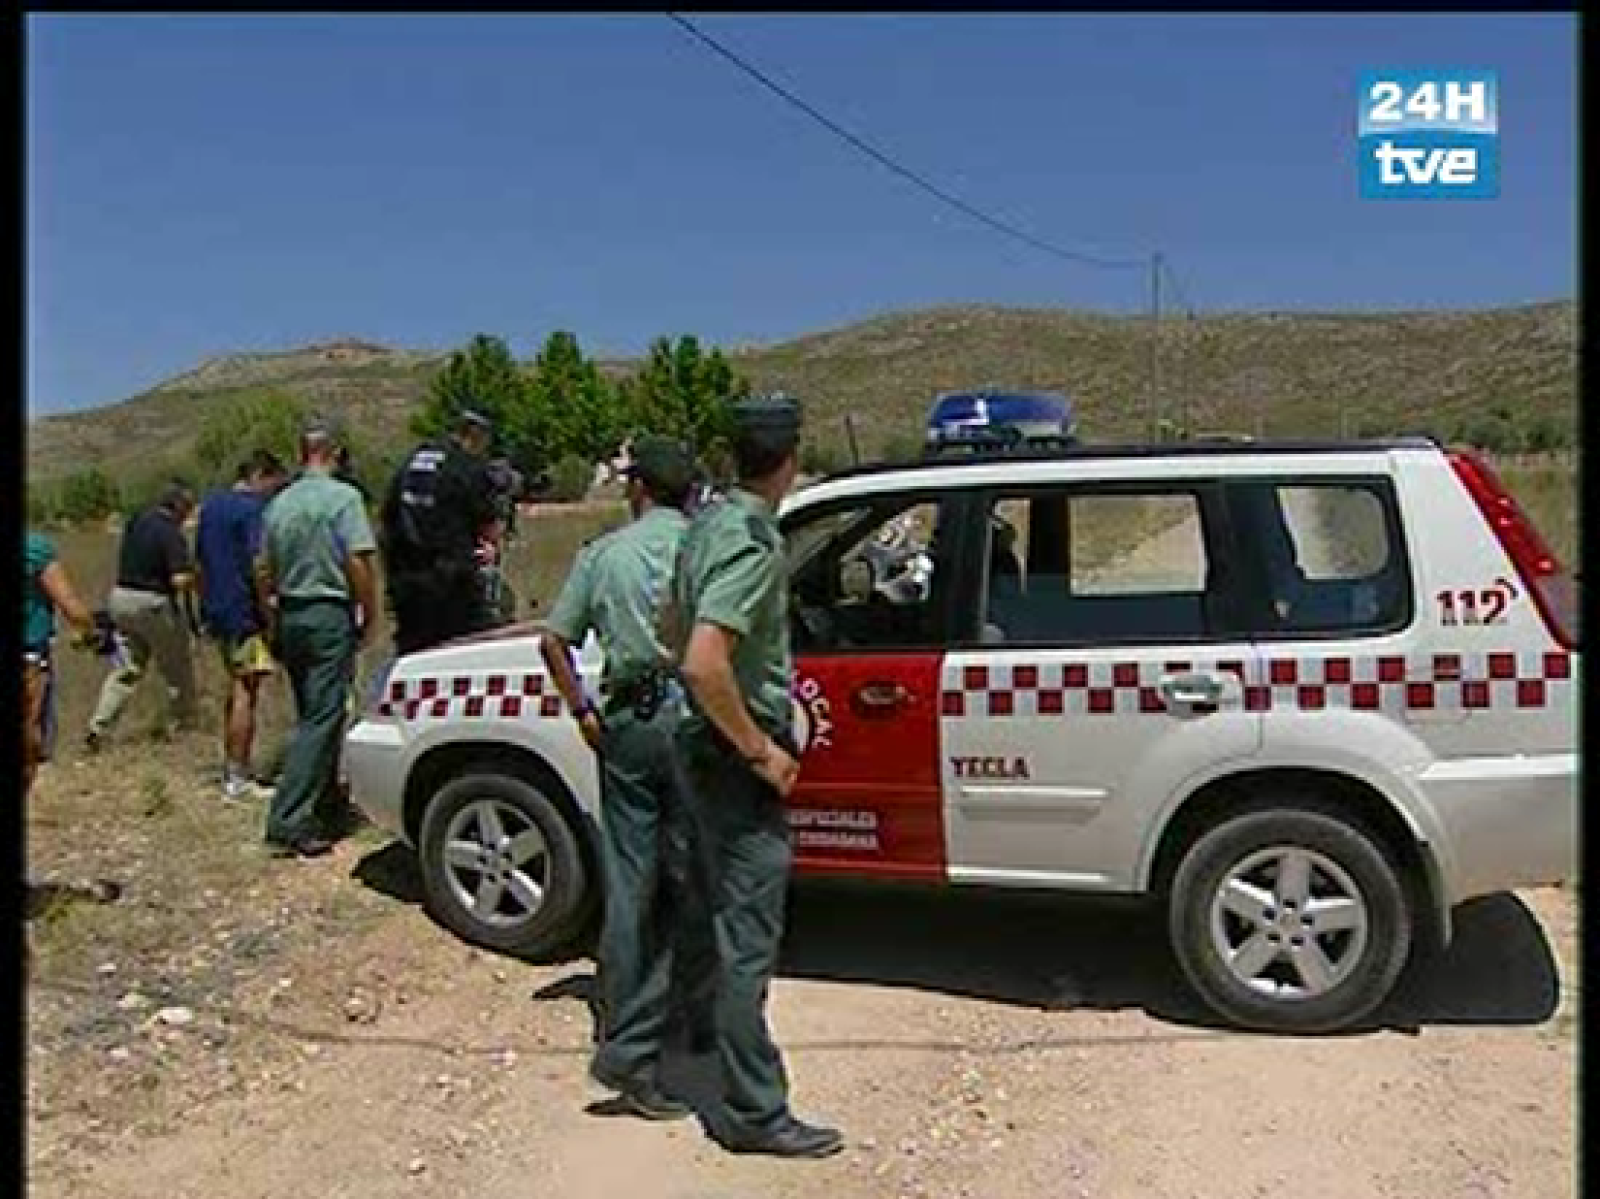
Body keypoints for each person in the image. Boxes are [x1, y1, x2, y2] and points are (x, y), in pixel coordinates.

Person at [667, 394, 843, 1159]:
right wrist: (759, 750)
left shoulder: (704, 526)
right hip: (732, 757)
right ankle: (753, 1109)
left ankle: (696, 1031)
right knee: (747, 933)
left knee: (706, 904)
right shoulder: (749, 542)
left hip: (697, 746)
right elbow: (703, 660)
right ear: (790, 459)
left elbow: (670, 627)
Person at [538, 436, 700, 1121]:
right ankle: (688, 1015)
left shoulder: (604, 555)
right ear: (691, 492)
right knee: (694, 876)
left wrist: (582, 709)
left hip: (630, 722)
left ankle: (629, 1036)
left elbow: (553, 640)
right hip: (697, 722)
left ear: (639, 488)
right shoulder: (712, 552)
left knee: (632, 880)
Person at [255, 416, 379, 858]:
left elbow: (262, 569)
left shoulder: (279, 505)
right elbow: (357, 561)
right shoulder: (344, 499)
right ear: (335, 453)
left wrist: (270, 617)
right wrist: (370, 611)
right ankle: (288, 818)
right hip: (328, 611)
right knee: (323, 716)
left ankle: (326, 804)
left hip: (291, 611)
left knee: (312, 712)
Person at [196, 449, 289, 800]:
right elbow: (258, 564)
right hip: (244, 612)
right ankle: (237, 774)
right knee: (245, 690)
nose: (272, 494)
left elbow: (199, 563)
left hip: (217, 608)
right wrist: (269, 612)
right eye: (272, 486)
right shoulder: (251, 511)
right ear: (260, 475)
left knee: (236, 685)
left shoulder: (210, 507)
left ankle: (233, 766)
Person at [84, 483, 201, 750]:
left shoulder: (137, 521)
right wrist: (199, 578)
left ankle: (98, 727)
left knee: (126, 669)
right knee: (177, 667)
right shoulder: (169, 532)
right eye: (188, 509)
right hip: (153, 603)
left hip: (121, 599)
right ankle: (185, 725)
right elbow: (179, 579)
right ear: (178, 506)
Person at [379, 407, 500, 655]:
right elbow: (488, 525)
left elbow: (387, 518)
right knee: (463, 654)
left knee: (414, 656)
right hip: (452, 584)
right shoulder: (465, 466)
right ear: (476, 435)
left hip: (407, 582)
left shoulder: (411, 462)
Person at [24, 529, 99, 793]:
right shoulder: (34, 549)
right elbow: (70, 605)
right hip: (29, 655)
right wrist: (91, 631)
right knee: (29, 736)